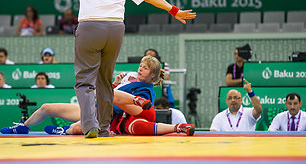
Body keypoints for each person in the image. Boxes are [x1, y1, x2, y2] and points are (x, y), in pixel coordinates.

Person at [74, 0, 196, 138]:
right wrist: (174, 10)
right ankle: (104, 129)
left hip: (90, 25)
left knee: (84, 81)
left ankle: (91, 125)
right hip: (115, 28)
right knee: (105, 81)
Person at [1, 56, 194, 136]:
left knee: (90, 113)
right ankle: (23, 127)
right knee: (47, 108)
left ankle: (65, 130)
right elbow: (105, 94)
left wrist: (114, 88)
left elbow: (109, 98)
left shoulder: (146, 88)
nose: (141, 68)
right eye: (141, 65)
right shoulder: (127, 78)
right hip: (104, 109)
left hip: (125, 112)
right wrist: (116, 83)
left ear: (152, 76)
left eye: (145, 68)